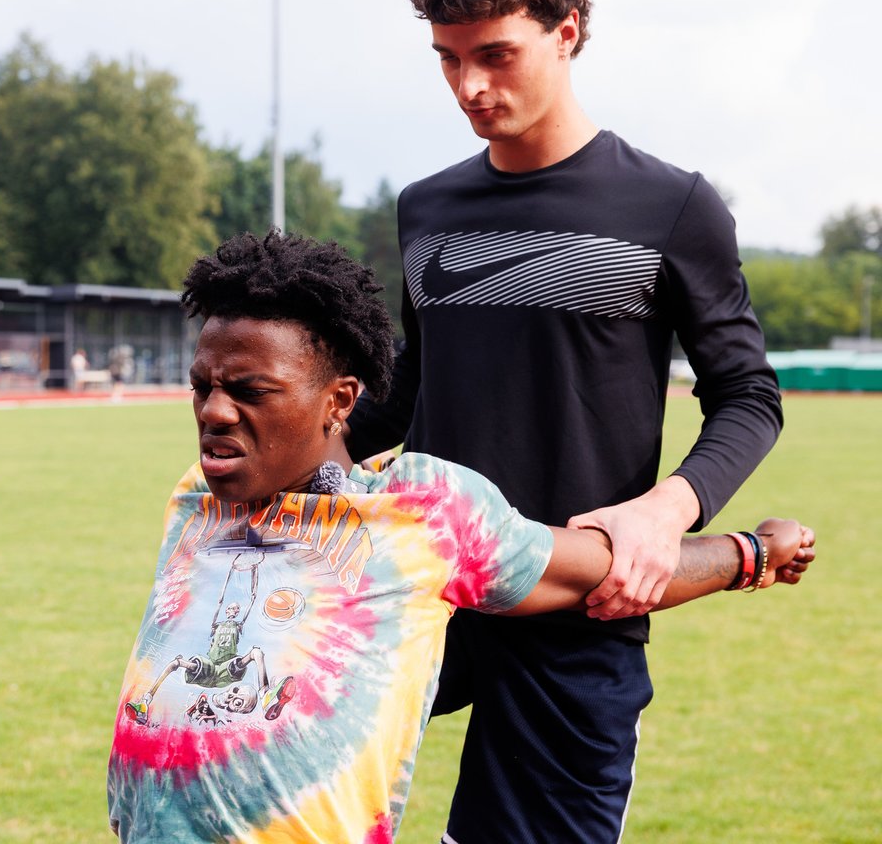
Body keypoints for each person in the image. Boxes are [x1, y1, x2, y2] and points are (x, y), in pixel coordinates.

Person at [107, 233, 811, 844]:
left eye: (251, 391)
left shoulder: (422, 513)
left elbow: (603, 570)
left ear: (340, 400)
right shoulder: (195, 498)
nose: (214, 412)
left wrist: (749, 554)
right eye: (202, 387)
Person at [344, 0, 786, 843]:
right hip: (418, 596)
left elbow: (748, 396)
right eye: (447, 58)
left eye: (495, 55)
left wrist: (665, 512)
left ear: (567, 31)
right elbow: (413, 386)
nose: (469, 86)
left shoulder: (671, 206)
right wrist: (288, 456)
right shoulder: (426, 208)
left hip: (580, 607)